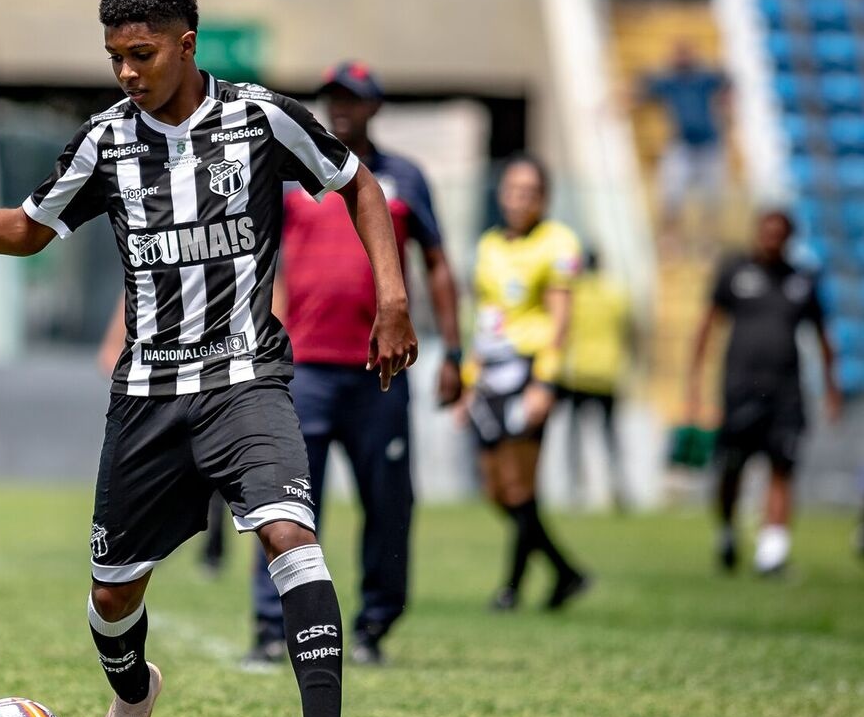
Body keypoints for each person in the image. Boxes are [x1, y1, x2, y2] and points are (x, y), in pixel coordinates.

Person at [0, 0, 417, 717]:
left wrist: (391, 297)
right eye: (114, 57)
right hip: (146, 395)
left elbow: (355, 179)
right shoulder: (104, 141)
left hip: (246, 376)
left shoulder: (260, 118)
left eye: (141, 54)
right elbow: (29, 231)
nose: (127, 73)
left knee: (291, 534)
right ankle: (134, 697)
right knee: (112, 595)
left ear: (186, 43)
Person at [246, 61, 462, 668]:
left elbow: (439, 264)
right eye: (334, 97)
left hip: (381, 372)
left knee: (388, 502)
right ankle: (270, 627)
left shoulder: (403, 178)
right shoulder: (294, 176)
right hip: (304, 372)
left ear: (375, 107)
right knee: (283, 504)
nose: (341, 107)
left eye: (354, 99)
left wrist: (455, 350)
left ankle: (373, 627)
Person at [461, 156, 589, 611]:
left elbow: (560, 322)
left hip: (528, 371)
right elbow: (484, 319)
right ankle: (565, 571)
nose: (520, 199)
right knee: (495, 489)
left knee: (519, 486)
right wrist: (467, 381)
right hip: (491, 375)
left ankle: (511, 589)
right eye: (513, 189)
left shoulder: (558, 243)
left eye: (530, 191)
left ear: (544, 198)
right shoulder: (489, 244)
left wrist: (545, 384)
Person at [684, 208, 843, 575]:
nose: (771, 239)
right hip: (740, 389)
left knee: (782, 468)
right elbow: (707, 325)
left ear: (789, 238)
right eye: (766, 231)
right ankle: (726, 529)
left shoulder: (802, 280)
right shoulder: (734, 271)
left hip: (786, 392)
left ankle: (772, 554)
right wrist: (693, 385)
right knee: (732, 467)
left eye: (779, 233)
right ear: (757, 233)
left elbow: (823, 336)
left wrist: (831, 388)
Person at [97, 298, 230, 577]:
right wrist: (141, 382)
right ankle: (144, 548)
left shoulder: (221, 288)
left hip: (213, 397)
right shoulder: (141, 288)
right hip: (153, 407)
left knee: (216, 479)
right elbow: (108, 354)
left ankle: (213, 551)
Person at [557, 250, 634, 512]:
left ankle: (575, 490)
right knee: (610, 435)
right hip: (607, 373)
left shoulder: (574, 294)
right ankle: (617, 485)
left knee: (574, 436)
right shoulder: (615, 293)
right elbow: (629, 328)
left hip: (578, 373)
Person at [640, 41, 730, 247]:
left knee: (712, 198)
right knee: (671, 194)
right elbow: (643, 89)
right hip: (681, 145)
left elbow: (726, 81)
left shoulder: (705, 78)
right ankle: (670, 239)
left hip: (709, 145)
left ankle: (708, 240)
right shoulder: (668, 82)